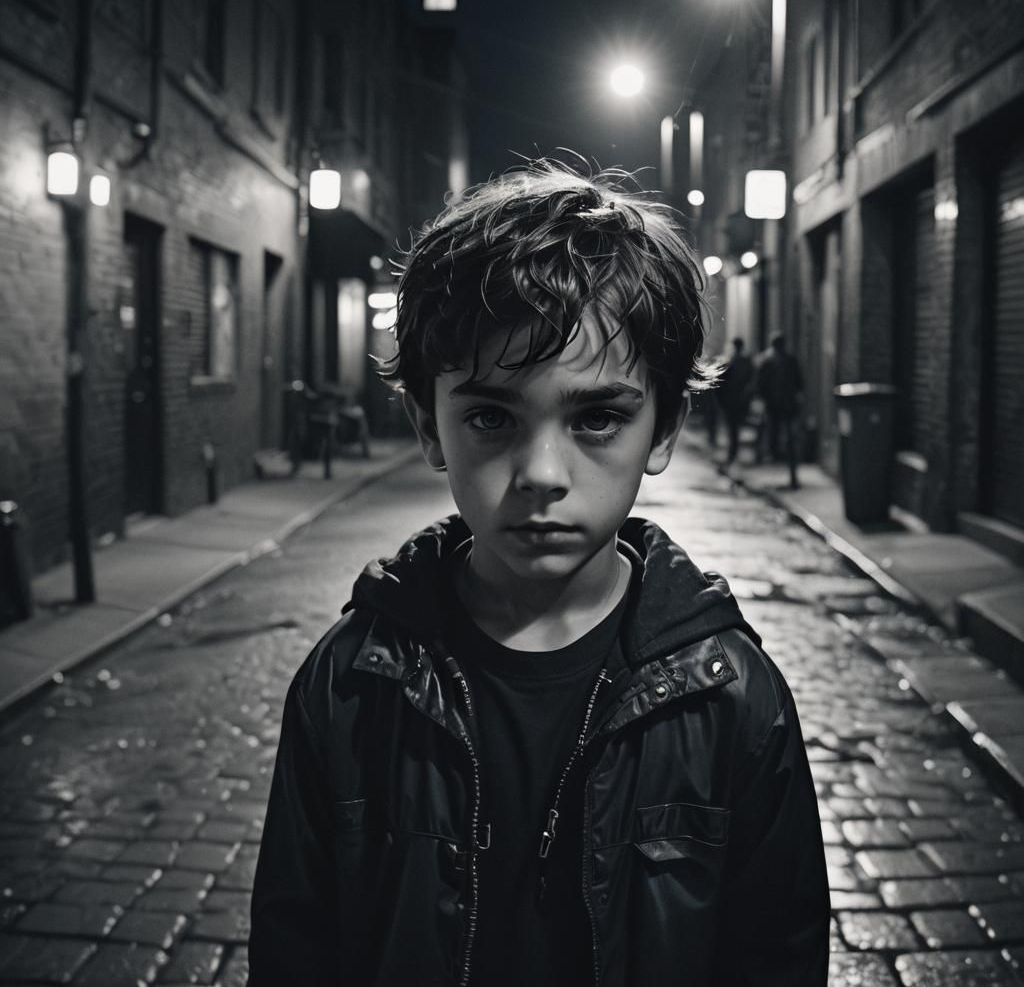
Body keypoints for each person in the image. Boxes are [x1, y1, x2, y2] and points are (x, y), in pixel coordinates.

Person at [248, 162, 829, 986]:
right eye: (492, 416)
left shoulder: (733, 699)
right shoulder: (350, 685)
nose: (542, 474)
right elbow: (294, 947)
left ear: (665, 428)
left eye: (598, 418)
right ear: (429, 426)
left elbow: (777, 955)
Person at [756, 331, 804, 489]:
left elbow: (760, 384)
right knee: (789, 438)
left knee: (772, 433)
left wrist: (764, 398)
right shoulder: (791, 360)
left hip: (774, 405)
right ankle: (792, 475)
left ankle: (772, 456)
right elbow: (799, 383)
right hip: (788, 405)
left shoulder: (766, 361)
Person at [716, 336, 755, 466]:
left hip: (730, 401)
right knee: (735, 428)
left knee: (732, 429)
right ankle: (733, 454)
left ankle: (732, 454)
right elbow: (752, 381)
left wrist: (721, 400)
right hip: (741, 401)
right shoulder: (746, 362)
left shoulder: (729, 361)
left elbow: (720, 383)